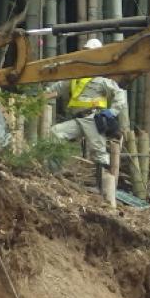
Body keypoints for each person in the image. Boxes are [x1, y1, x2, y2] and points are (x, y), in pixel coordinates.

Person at [47, 38, 128, 204]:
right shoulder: (74, 78)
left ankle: (105, 189)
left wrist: (113, 111)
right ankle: (54, 173)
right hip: (79, 119)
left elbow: (120, 93)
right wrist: (40, 96)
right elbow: (57, 88)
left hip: (93, 119)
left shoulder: (101, 80)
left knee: (99, 153)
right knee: (55, 133)